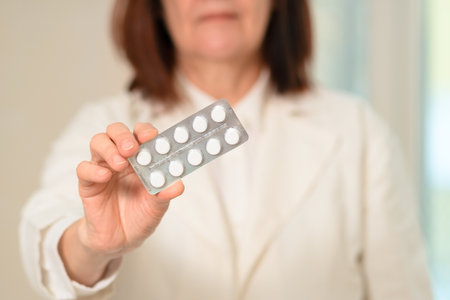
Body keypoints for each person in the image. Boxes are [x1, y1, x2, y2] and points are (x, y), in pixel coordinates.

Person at [20, 0, 433, 299]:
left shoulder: (358, 132)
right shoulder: (106, 130)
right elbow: (45, 240)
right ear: (157, 8)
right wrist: (95, 244)